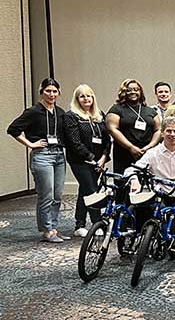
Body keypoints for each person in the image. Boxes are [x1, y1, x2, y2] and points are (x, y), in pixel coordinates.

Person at [7, 78, 68, 242]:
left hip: (59, 155)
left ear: (59, 93)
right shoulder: (33, 111)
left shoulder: (60, 112)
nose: (51, 94)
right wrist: (30, 144)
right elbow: (13, 129)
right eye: (48, 91)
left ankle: (54, 228)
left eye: (55, 91)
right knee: (46, 195)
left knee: (57, 195)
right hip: (42, 156)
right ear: (41, 92)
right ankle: (47, 230)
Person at [125, 117, 175, 231]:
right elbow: (130, 170)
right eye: (168, 131)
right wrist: (134, 180)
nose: (172, 134)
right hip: (159, 194)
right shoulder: (153, 153)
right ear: (162, 133)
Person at [64, 84, 111, 238]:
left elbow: (106, 140)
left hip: (99, 161)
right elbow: (74, 142)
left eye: (89, 95)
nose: (86, 99)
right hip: (80, 161)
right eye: (82, 96)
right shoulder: (71, 116)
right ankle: (97, 223)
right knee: (91, 190)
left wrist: (103, 158)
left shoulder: (99, 115)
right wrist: (91, 159)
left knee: (84, 190)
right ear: (77, 99)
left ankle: (79, 224)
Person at [106, 78, 161, 173]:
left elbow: (158, 130)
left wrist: (149, 147)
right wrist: (131, 147)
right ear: (123, 92)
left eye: (136, 89)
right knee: (124, 184)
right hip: (124, 153)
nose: (133, 92)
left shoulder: (150, 111)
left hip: (146, 153)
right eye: (129, 90)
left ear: (141, 92)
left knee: (146, 184)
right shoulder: (116, 109)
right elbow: (112, 129)